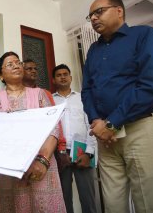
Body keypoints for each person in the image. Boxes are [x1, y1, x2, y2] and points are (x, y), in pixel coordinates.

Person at [81, 0, 153, 213]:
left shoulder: (145, 35)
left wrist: (112, 122)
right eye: (90, 15)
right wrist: (96, 121)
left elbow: (150, 86)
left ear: (119, 10)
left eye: (98, 12)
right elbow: (87, 90)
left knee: (150, 203)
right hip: (105, 137)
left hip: (140, 129)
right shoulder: (93, 50)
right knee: (113, 204)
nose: (93, 18)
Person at [0, 51, 66, 213]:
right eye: (10, 64)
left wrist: (42, 161)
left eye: (18, 62)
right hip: (8, 169)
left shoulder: (40, 94)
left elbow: (54, 128)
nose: (16, 65)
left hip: (42, 164)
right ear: (1, 75)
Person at [52, 64, 97, 213]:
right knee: (63, 201)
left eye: (66, 74)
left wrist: (89, 153)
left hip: (82, 152)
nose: (63, 77)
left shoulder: (83, 98)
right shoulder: (50, 101)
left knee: (88, 199)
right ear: (53, 80)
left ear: (70, 77)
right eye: (59, 75)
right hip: (59, 155)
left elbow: (91, 125)